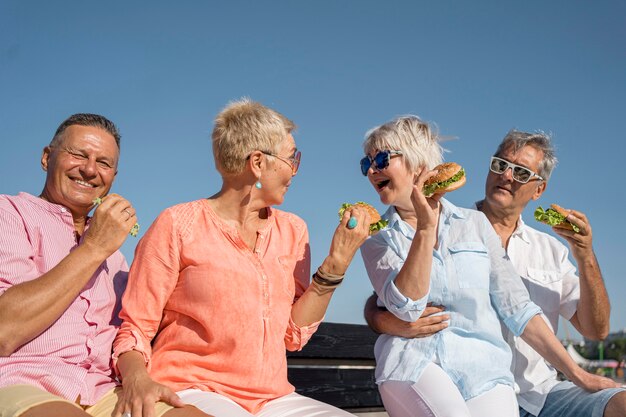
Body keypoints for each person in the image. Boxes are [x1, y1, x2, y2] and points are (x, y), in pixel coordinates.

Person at [111, 98, 371, 417]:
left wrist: (337, 263)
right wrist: (137, 378)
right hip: (193, 389)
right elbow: (136, 325)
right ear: (258, 163)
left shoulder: (293, 230)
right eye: (292, 158)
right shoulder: (177, 224)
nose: (295, 170)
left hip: (272, 398)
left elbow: (292, 336)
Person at [358, 116, 619, 417]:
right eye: (499, 165)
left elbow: (527, 310)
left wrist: (579, 374)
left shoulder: (529, 242)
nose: (506, 176)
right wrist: (379, 315)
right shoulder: (386, 233)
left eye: (520, 172)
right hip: (428, 368)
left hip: (514, 383)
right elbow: (398, 301)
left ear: (539, 190)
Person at [0, 114, 205, 417]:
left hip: (104, 390)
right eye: (78, 154)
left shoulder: (117, 256)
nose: (89, 169)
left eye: (104, 163)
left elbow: (126, 333)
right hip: (23, 381)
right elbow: (6, 331)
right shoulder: (10, 214)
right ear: (47, 157)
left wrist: (137, 377)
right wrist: (94, 247)